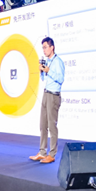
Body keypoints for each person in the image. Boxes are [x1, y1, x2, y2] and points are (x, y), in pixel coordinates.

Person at [31, 36, 65, 164]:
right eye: (43, 48)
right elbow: (44, 79)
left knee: (52, 126)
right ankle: (42, 152)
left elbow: (60, 79)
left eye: (45, 47)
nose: (44, 50)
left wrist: (48, 71)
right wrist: (42, 71)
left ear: (52, 47)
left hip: (53, 96)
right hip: (46, 94)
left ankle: (52, 154)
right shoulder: (48, 61)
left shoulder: (58, 62)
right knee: (43, 125)